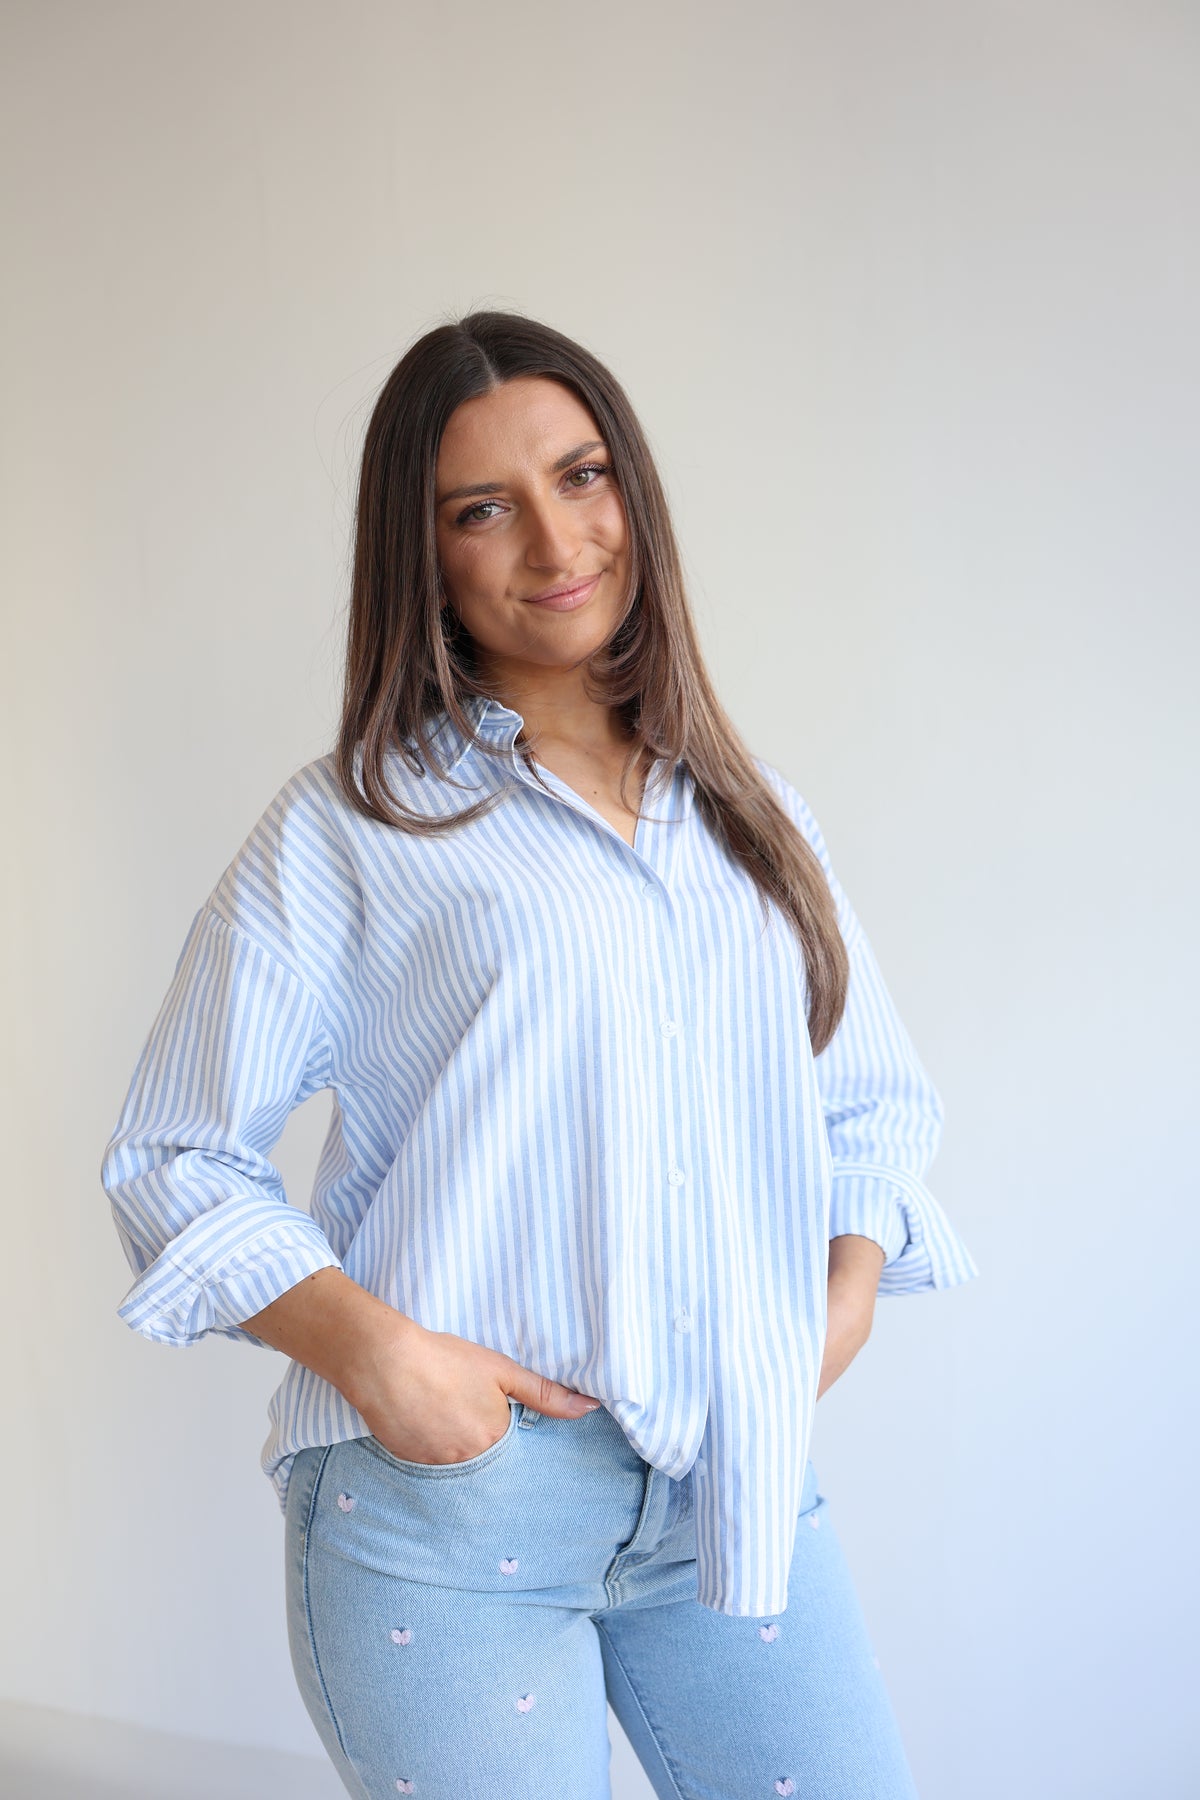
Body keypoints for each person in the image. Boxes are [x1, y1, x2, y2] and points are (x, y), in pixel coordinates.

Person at [100, 309, 979, 1799]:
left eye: (581, 477)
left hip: (731, 1487)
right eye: (481, 509)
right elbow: (172, 1154)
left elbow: (869, 1110)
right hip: (452, 1514)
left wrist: (836, 1309)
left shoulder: (755, 815)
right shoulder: (352, 827)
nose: (557, 541)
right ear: (423, 553)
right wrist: (389, 1365)